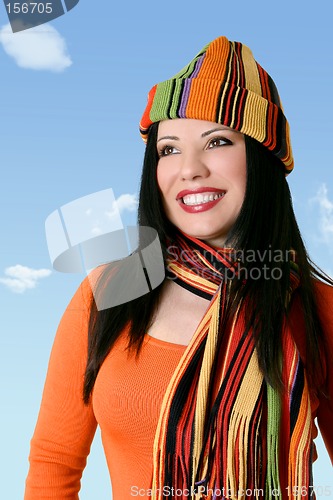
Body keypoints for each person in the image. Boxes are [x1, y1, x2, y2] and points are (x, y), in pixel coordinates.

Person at [25, 36, 333, 499]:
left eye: (217, 141)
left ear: (262, 158)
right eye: (169, 149)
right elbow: (55, 461)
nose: (189, 168)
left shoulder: (314, 307)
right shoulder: (108, 289)